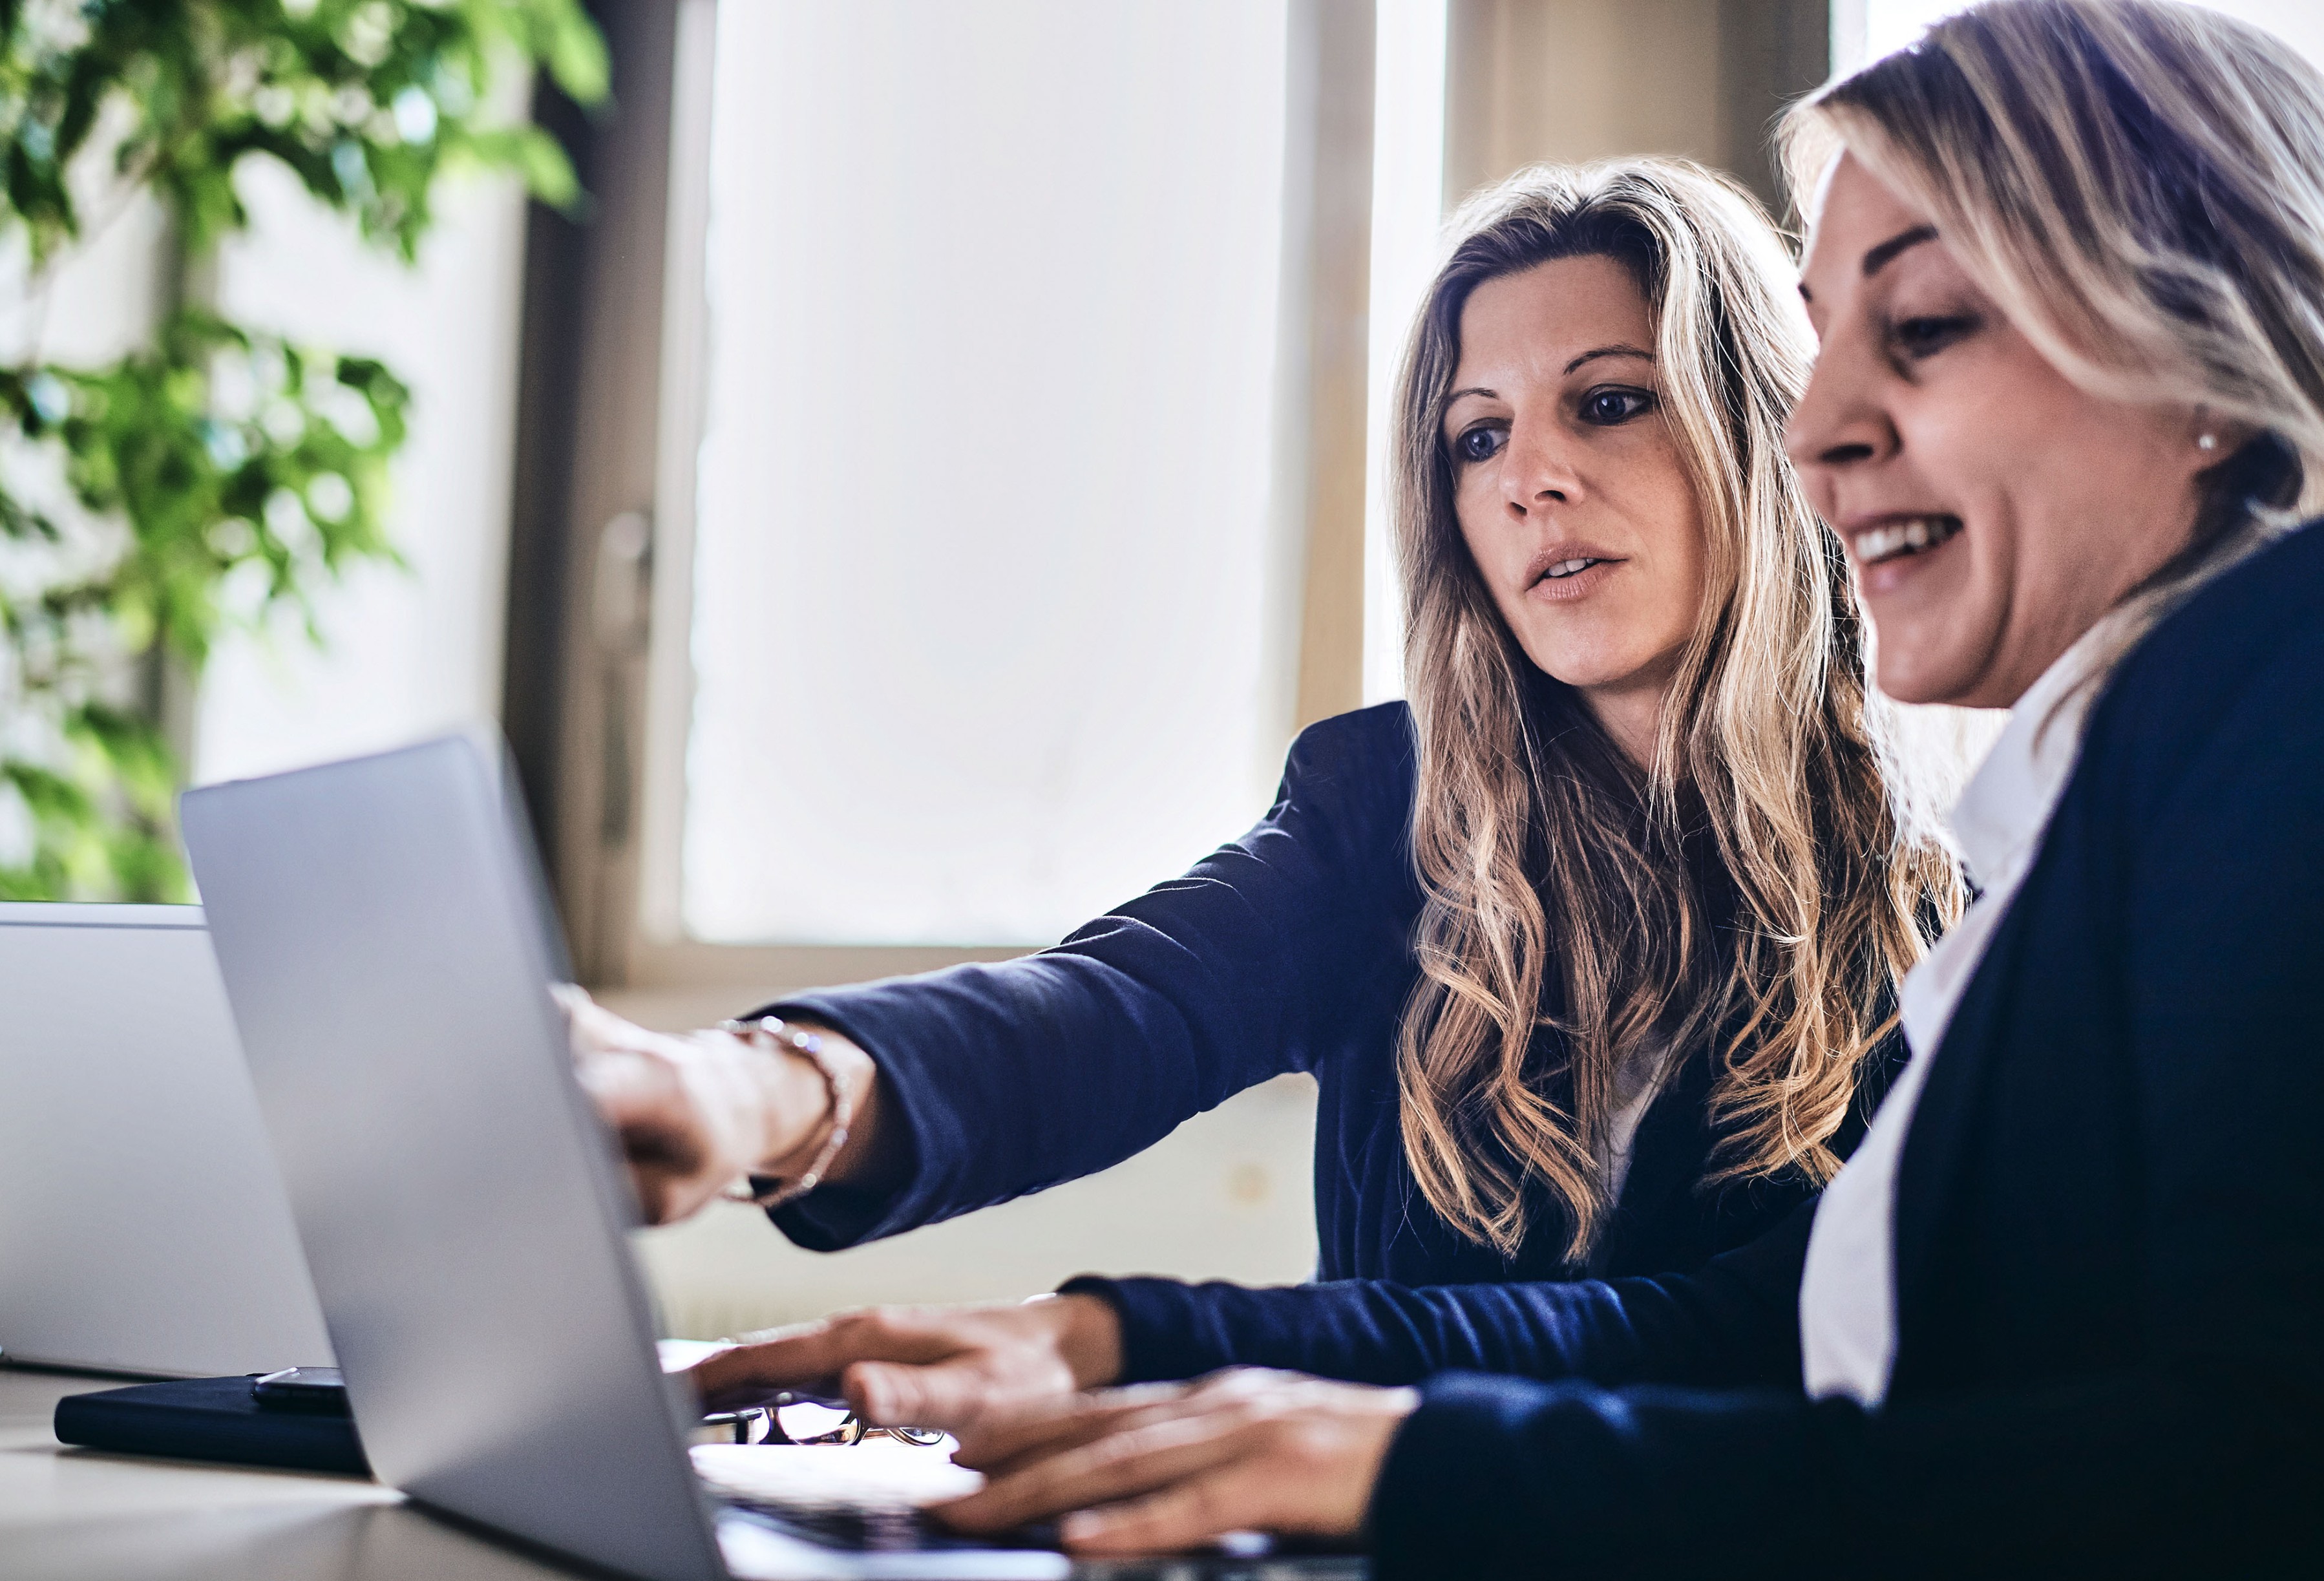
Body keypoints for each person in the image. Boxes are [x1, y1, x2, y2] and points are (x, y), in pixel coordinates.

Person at [891, 2, 2324, 1573]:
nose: (1822, 434)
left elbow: (2228, 1472)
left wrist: (1406, 1457)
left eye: (1920, 327)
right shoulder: (2104, 814)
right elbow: (1120, 1006)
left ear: (2206, 347)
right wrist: (1124, 1327)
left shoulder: (2236, 728)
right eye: (1476, 435)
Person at [571, 157, 1961, 1423]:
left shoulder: (1958, 902)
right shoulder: (1389, 805)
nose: (1532, 476)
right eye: (1476, 437)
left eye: (1608, 402)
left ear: (1768, 433)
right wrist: (752, 1087)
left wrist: (1130, 1340)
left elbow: (1726, 1340)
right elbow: (1117, 1007)